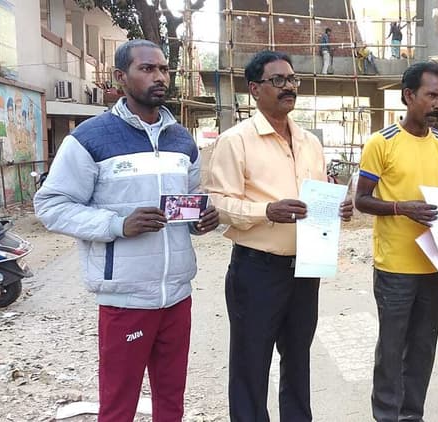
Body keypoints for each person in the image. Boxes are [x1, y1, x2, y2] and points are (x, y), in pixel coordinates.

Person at [33, 39, 219, 422]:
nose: (159, 77)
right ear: (121, 77)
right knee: (119, 406)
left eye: (163, 69)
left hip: (177, 295)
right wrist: (118, 224)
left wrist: (201, 219)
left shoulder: (182, 140)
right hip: (125, 300)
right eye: (147, 69)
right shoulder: (90, 138)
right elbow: (51, 205)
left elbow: (190, 199)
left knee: (172, 402)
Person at [204, 50, 353, 422]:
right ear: (255, 89)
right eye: (278, 80)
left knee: (298, 359)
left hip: (305, 269)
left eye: (292, 79)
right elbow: (219, 203)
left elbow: (317, 197)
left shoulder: (309, 142)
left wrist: (338, 208)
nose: (289, 87)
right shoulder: (236, 141)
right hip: (257, 271)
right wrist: (266, 211)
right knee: (251, 364)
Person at [355, 61, 438, 422]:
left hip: (433, 263)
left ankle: (411, 416)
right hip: (394, 266)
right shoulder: (381, 143)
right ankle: (386, 416)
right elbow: (361, 200)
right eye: (431, 95)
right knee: (391, 350)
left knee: (422, 348)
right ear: (408, 96)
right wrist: (400, 208)